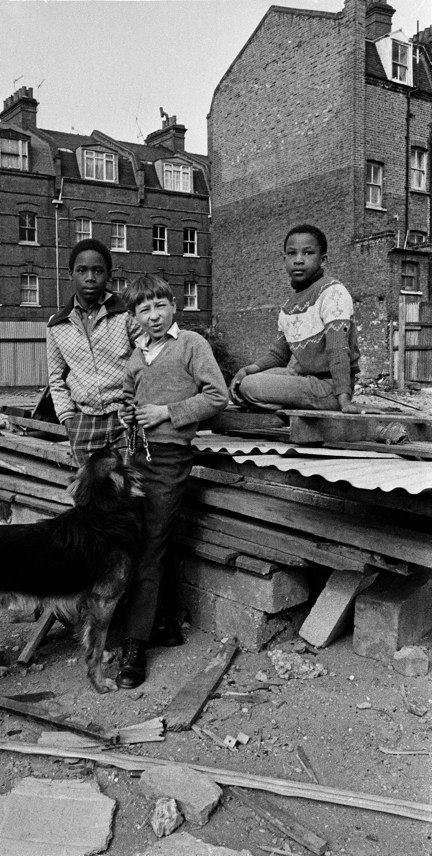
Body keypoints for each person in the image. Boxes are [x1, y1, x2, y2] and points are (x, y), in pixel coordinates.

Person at [116, 274, 229, 689]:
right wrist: (128, 413)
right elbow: (128, 399)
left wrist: (166, 412)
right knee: (136, 543)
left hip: (169, 460)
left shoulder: (191, 345)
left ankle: (135, 646)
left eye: (160, 305)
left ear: (174, 307)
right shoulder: (137, 353)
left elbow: (218, 397)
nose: (154, 315)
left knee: (149, 548)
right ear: (134, 317)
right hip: (134, 459)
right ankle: (162, 624)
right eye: (144, 309)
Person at [230, 224, 361, 413]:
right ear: (284, 259)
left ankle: (307, 403)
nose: (298, 260)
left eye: (308, 253)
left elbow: (337, 350)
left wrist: (344, 400)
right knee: (246, 379)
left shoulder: (333, 292)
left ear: (323, 260)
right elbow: (279, 355)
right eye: (292, 254)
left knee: (250, 386)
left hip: (330, 387)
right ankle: (286, 402)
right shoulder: (288, 306)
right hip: (304, 379)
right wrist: (247, 369)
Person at [46, 239, 139, 467]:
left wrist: (136, 407)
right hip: (83, 421)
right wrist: (68, 418)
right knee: (91, 494)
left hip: (125, 417)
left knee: (129, 490)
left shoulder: (126, 315)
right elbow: (56, 378)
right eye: (82, 270)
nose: (90, 277)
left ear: (108, 275)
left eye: (98, 270)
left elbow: (149, 362)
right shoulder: (57, 324)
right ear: (70, 274)